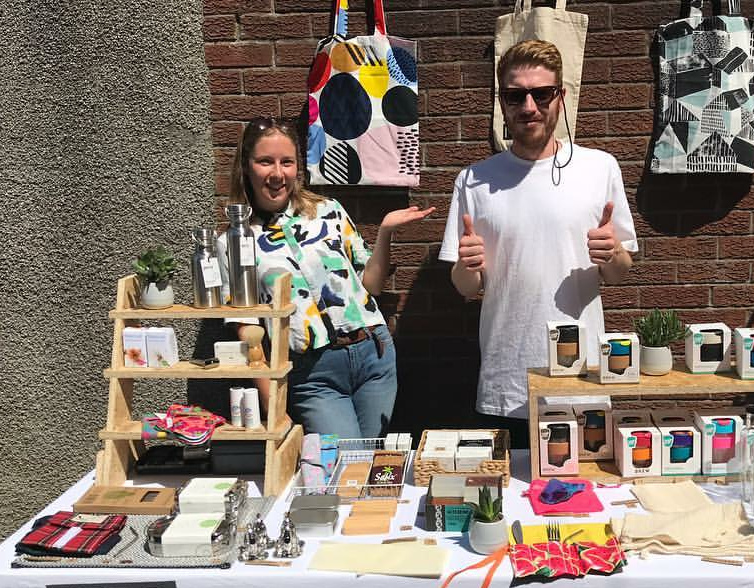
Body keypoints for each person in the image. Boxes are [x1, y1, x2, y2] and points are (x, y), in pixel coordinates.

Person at [438, 40, 639, 446]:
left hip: (580, 375)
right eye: (515, 96)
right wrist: (467, 266)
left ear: (560, 97)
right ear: (502, 103)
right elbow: (465, 288)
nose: (529, 106)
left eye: (541, 93)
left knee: (583, 503)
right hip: (506, 380)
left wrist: (612, 254)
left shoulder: (599, 168)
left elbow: (619, 273)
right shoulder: (473, 180)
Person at [219, 117, 433, 438]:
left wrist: (385, 231)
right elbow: (249, 334)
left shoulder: (328, 211)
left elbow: (371, 286)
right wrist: (274, 408)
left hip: (373, 353)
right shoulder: (234, 243)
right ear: (246, 167)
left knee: (375, 467)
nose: (278, 174)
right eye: (265, 162)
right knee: (343, 470)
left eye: (286, 162)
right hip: (313, 373)